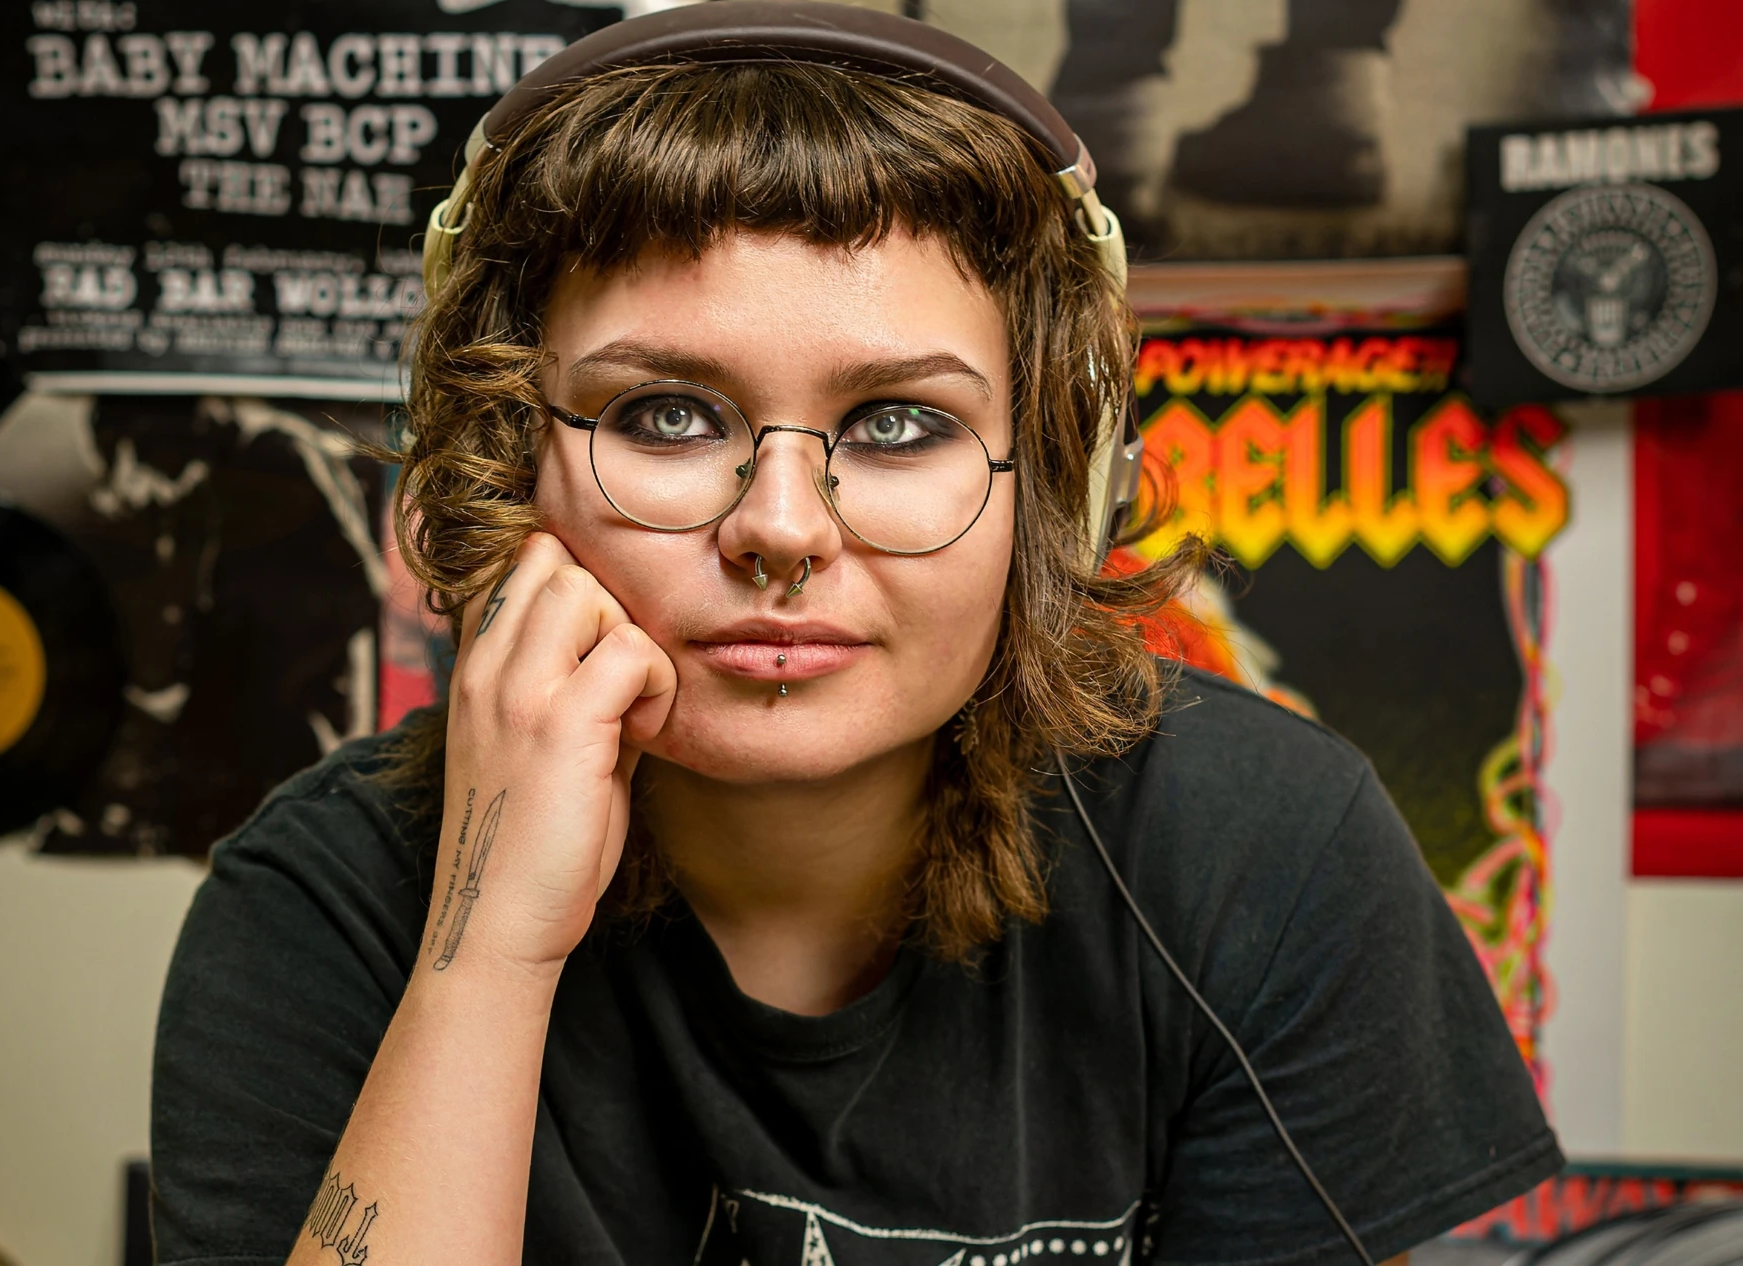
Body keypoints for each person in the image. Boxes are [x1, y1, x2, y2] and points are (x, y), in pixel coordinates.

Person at [150, 6, 1561, 1265]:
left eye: (898, 425)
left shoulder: (1268, 854)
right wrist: (487, 951)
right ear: (503, 459)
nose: (781, 525)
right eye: (666, 414)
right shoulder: (320, 900)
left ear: (1057, 485)